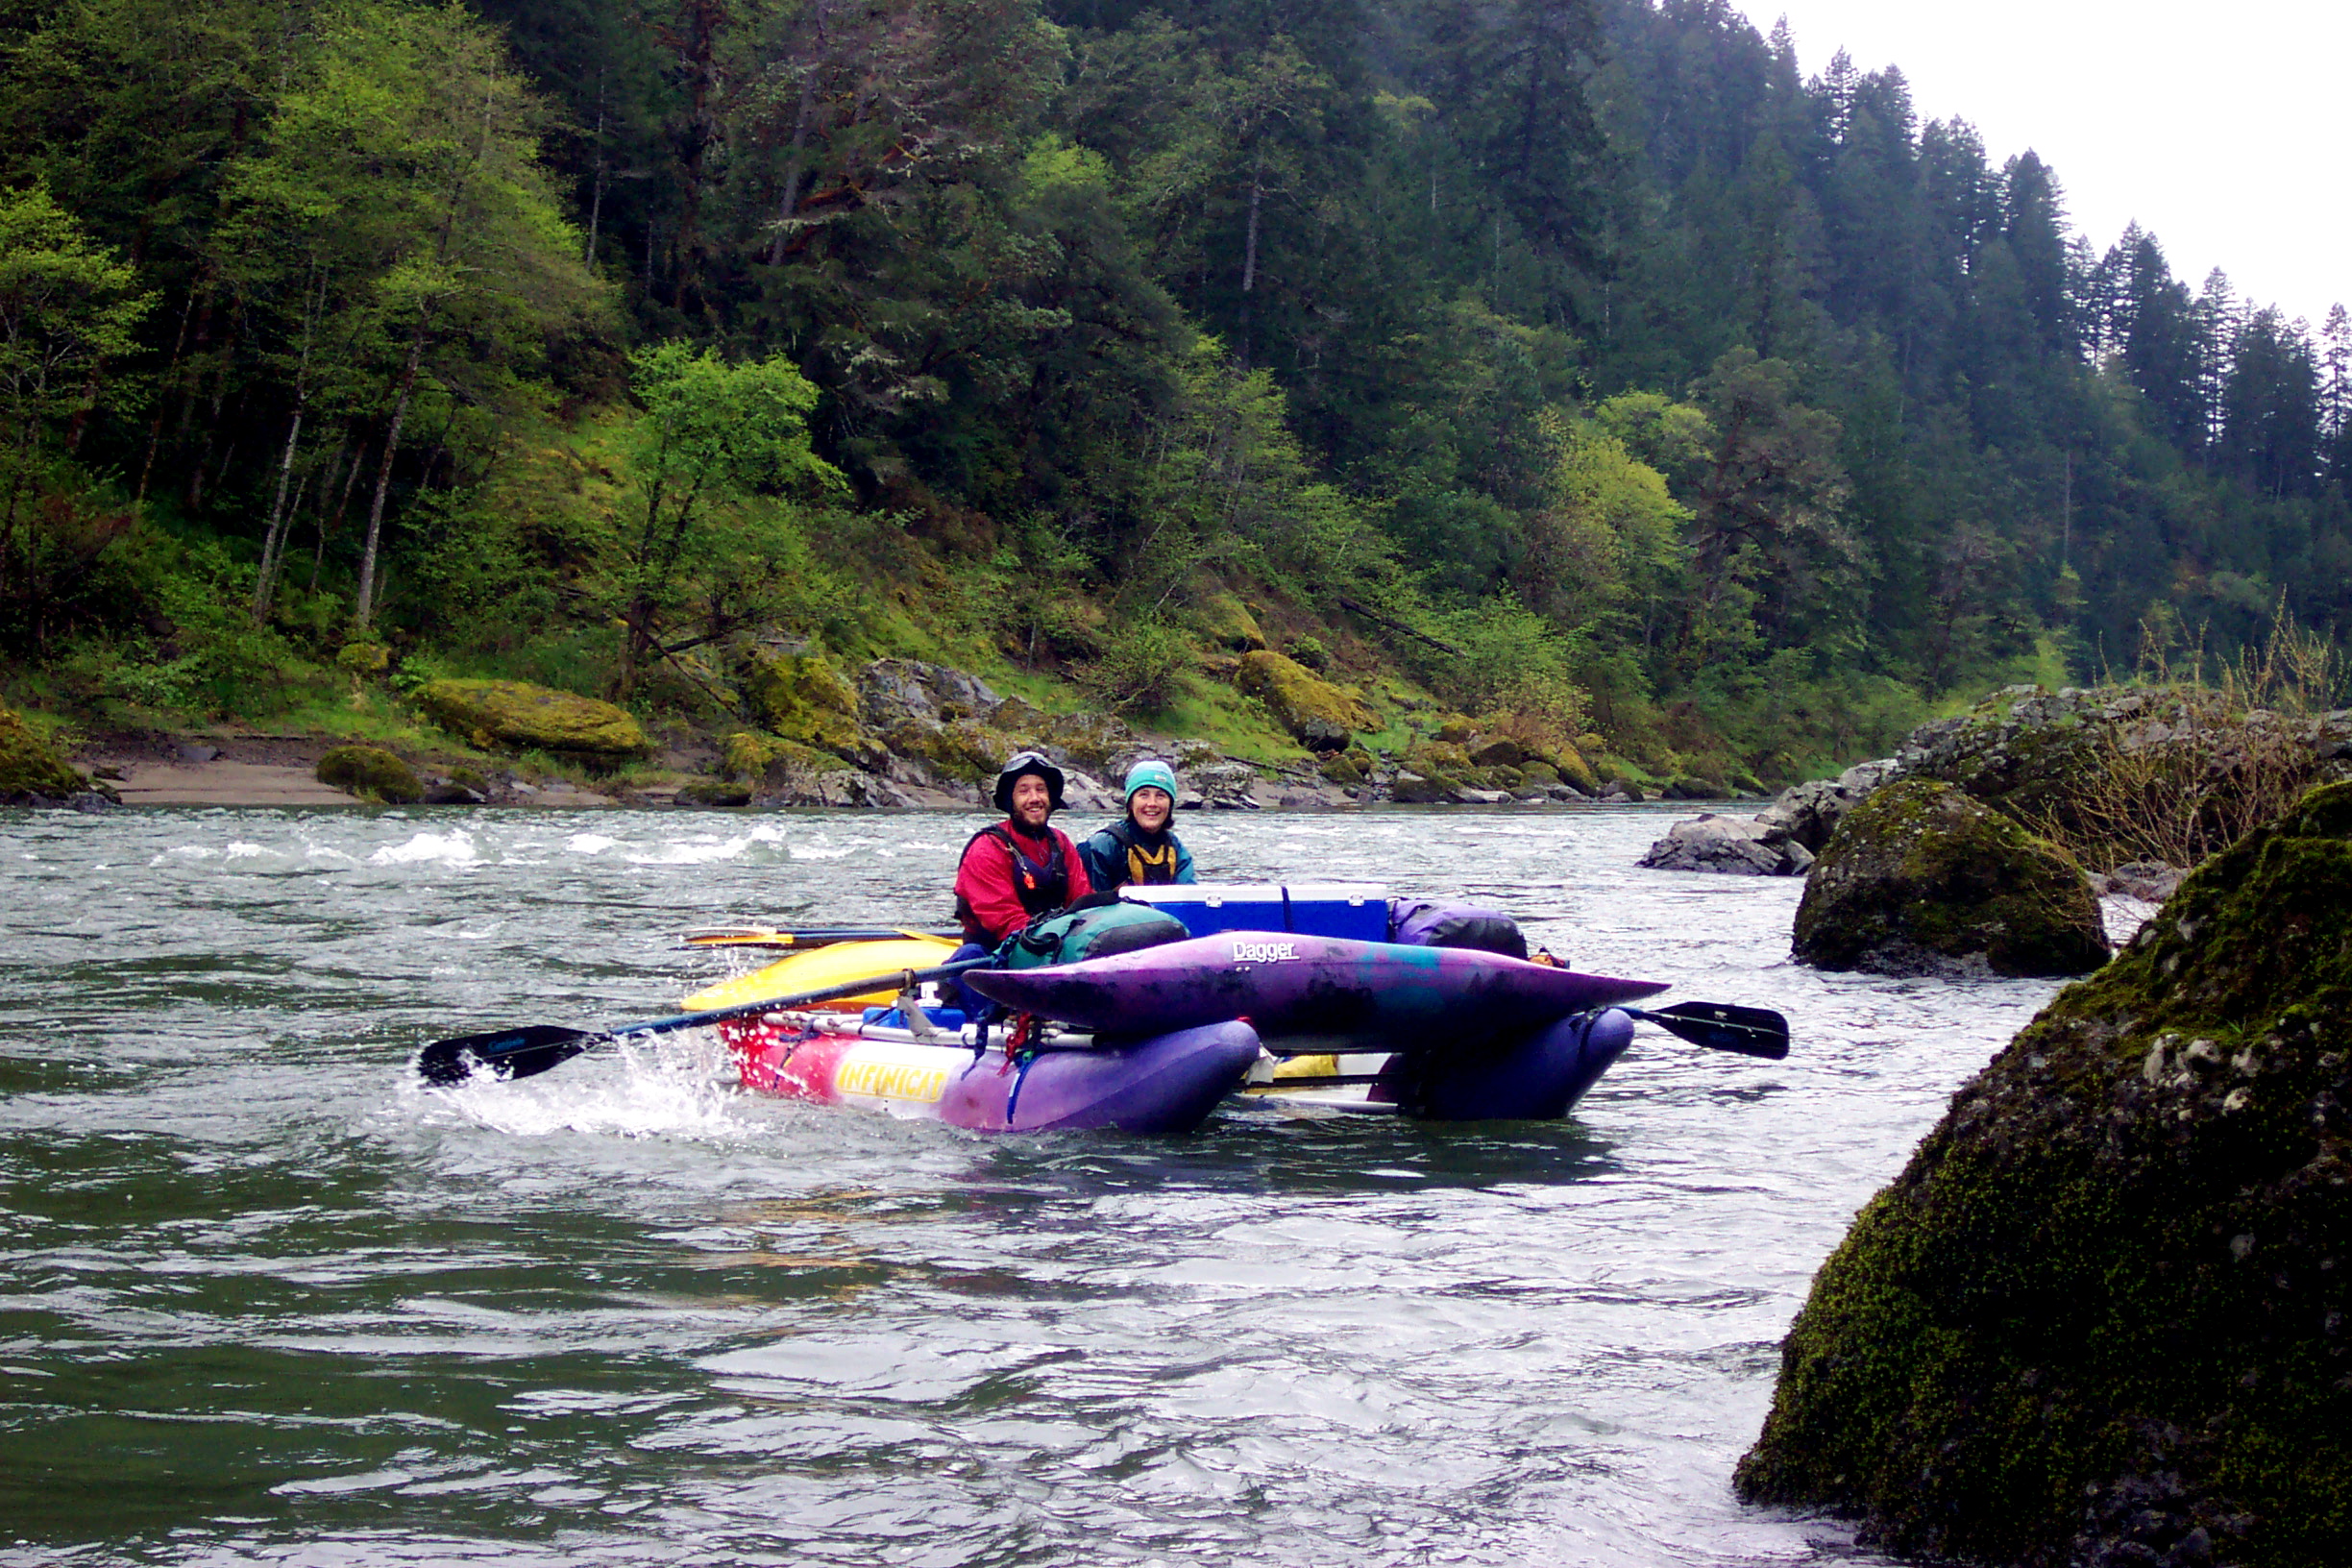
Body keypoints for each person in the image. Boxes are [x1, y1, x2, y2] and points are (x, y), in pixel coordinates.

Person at [951, 750, 1093, 947]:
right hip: (996, 951)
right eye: (1024, 791)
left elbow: (1084, 901)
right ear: (1010, 800)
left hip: (1051, 941)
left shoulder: (1061, 843)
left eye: (1041, 789)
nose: (1034, 798)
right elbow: (1006, 922)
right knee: (971, 953)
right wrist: (1053, 941)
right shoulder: (987, 848)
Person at [1080, 759, 1196, 892]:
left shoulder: (1175, 848)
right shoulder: (1101, 847)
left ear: (1170, 805)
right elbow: (1090, 905)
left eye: (1161, 796)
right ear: (1131, 803)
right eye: (1143, 795)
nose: (1152, 803)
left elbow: (1187, 896)